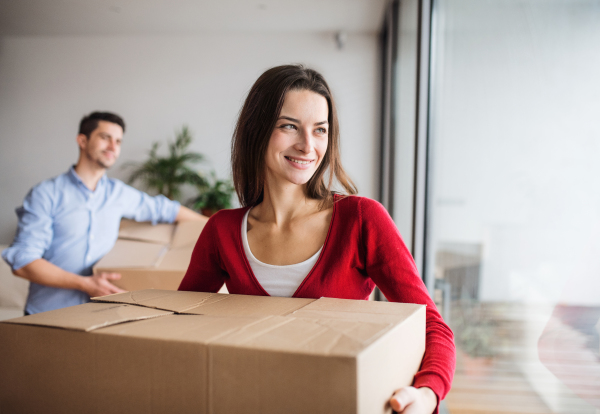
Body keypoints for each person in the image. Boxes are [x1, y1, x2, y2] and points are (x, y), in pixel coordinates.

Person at [178, 65, 455, 414]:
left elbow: (432, 325)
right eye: (289, 126)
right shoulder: (221, 231)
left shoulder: (361, 219)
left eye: (320, 130)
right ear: (257, 130)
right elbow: (179, 324)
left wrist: (427, 394)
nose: (308, 146)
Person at [2, 111, 206, 315]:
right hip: (47, 315)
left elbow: (167, 209)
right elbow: (23, 262)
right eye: (105, 137)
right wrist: (84, 283)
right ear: (82, 140)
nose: (113, 146)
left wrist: (217, 226)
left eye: (118, 141)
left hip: (100, 316)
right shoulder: (46, 194)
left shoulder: (119, 193)